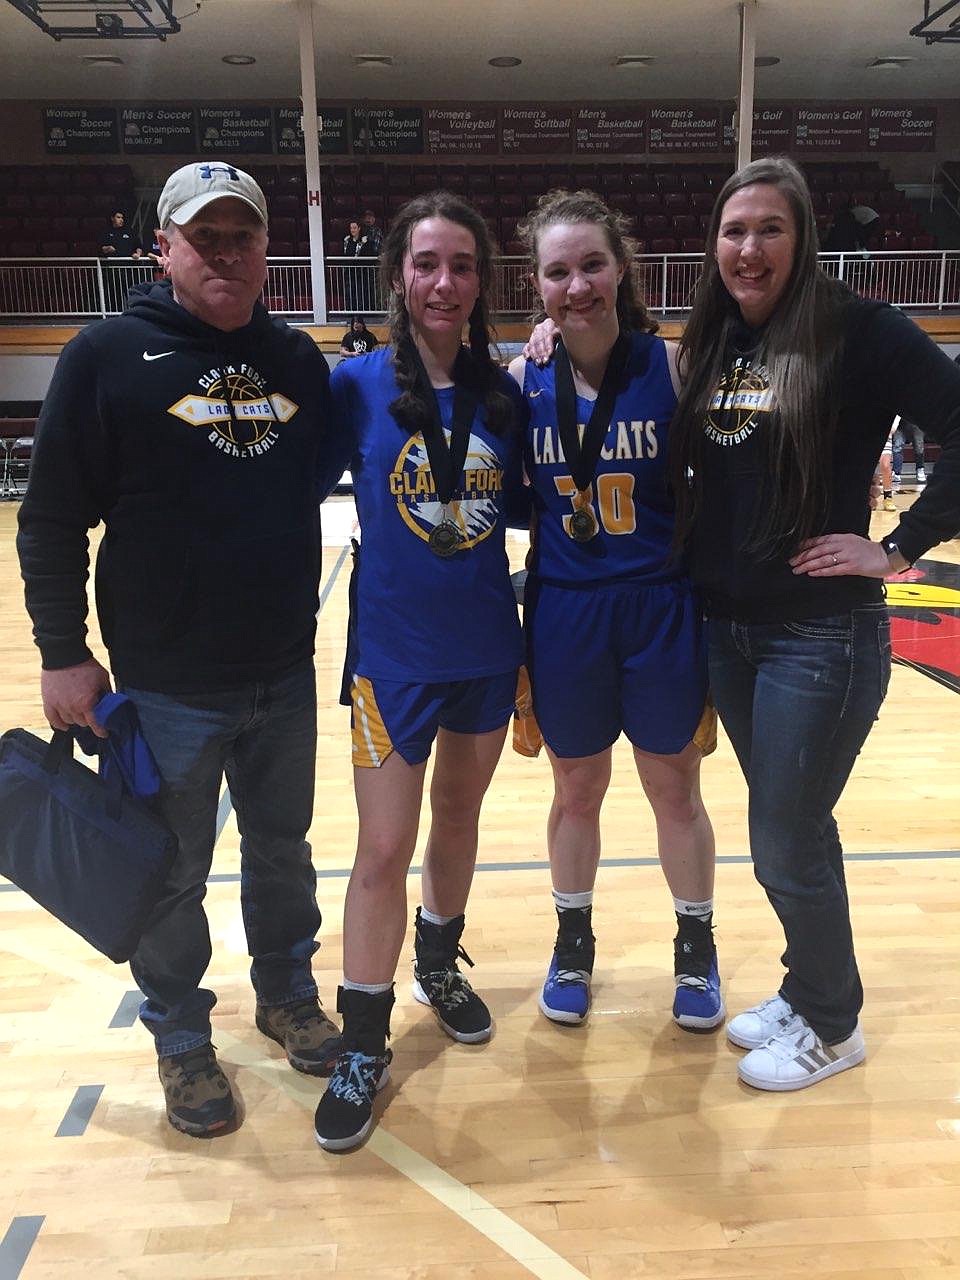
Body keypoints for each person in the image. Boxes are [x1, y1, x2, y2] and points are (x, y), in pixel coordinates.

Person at [17, 161, 340, 1137]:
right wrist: (64, 650)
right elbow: (51, 518)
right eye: (206, 237)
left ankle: (285, 993)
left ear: (264, 248)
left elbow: (319, 475)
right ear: (163, 248)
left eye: (243, 236)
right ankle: (182, 1033)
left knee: (283, 853)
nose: (227, 253)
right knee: (171, 869)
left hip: (283, 670)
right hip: (165, 684)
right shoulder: (107, 355)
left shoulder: (295, 359)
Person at [668, 156, 960, 1092]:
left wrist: (901, 543)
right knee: (791, 830)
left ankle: (834, 1027)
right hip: (734, 632)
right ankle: (808, 988)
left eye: (768, 230)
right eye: (733, 231)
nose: (747, 250)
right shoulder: (719, 337)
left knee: (786, 838)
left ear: (803, 238)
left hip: (820, 637)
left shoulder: (858, 331)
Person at [313, 191, 525, 1153]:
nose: (446, 282)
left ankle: (437, 962)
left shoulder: (507, 393)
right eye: (428, 263)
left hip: (486, 651)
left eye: (464, 265)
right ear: (399, 273)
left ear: (482, 281)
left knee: (460, 819)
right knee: (381, 848)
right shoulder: (353, 384)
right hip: (390, 665)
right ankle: (364, 1040)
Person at [509, 190, 721, 1033]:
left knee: (675, 791)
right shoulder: (522, 377)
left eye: (592, 264)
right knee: (576, 788)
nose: (578, 284)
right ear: (539, 284)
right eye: (559, 271)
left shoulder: (671, 366)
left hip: (661, 604)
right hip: (564, 609)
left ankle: (696, 947)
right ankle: (572, 939)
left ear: (621, 269)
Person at [100, 209, 144, 312]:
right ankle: (115, 315)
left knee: (131, 292)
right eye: (118, 217)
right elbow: (101, 248)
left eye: (122, 218)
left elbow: (138, 246)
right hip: (113, 270)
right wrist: (107, 249)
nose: (121, 220)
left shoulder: (129, 231)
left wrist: (138, 254)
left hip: (129, 269)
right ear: (112, 218)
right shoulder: (106, 232)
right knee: (115, 295)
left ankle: (136, 313)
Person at [342, 218, 376, 311]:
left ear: (359, 228)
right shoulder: (347, 240)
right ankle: (351, 310)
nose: (352, 230)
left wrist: (362, 243)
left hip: (362, 272)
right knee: (351, 291)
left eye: (354, 228)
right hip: (350, 272)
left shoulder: (365, 241)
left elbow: (369, 254)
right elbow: (347, 254)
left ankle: (364, 310)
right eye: (351, 228)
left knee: (362, 291)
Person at [891, 415, 927, 489]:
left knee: (919, 446)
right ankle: (896, 473)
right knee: (897, 446)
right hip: (900, 422)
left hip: (916, 422)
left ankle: (920, 469)